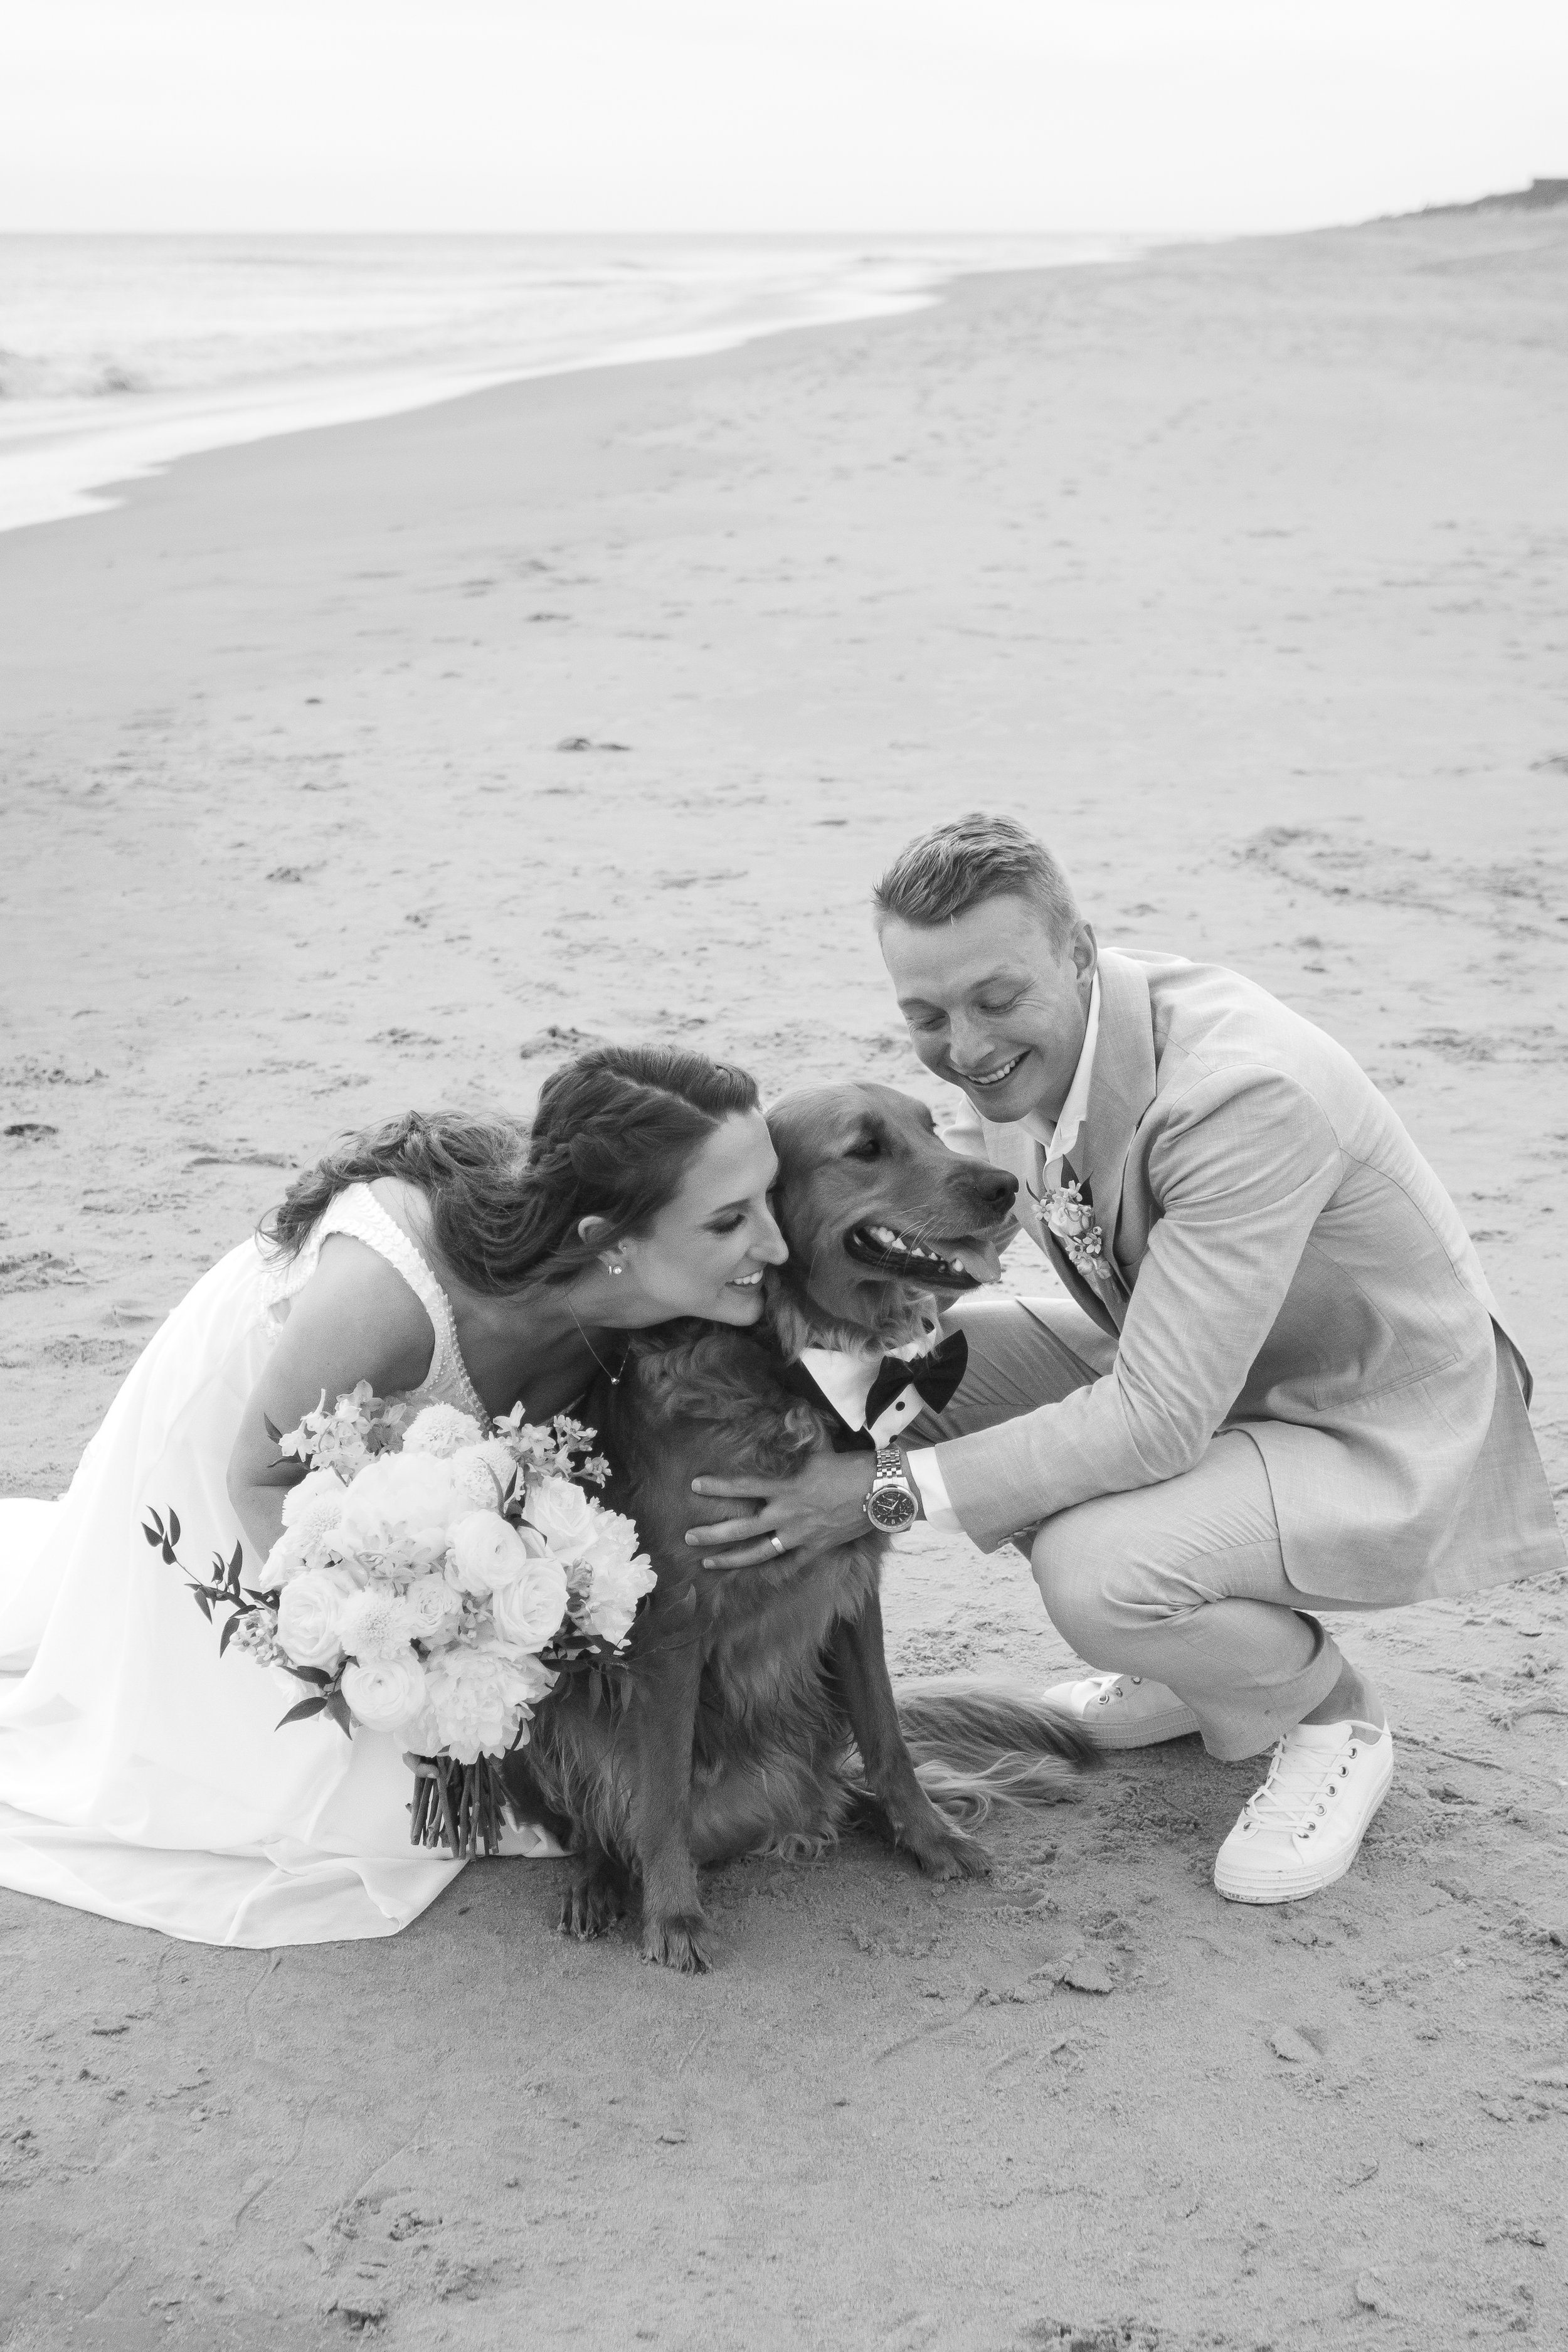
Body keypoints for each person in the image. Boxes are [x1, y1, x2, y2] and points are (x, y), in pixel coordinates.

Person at [690, 815, 1564, 1905]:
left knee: (1099, 1568)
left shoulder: (1244, 1094)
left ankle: (1332, 1711)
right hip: (1209, 1364)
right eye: (925, 1015)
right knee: (922, 1369)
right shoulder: (1050, 1043)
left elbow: (1154, 1421)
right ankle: (1191, 1667)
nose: (963, 1048)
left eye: (994, 1000)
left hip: (1366, 1417)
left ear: (1081, 950)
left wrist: (869, 1494)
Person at [0, 1046, 785, 1947]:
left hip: (421, 1498)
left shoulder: (699, 1287)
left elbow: (924, 1385)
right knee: (308, 1794)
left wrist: (877, 1492)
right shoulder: (386, 1295)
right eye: (732, 1220)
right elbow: (257, 1473)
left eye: (771, 1195)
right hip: (254, 1473)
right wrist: (397, 1645)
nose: (777, 1241)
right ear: (607, 1241)